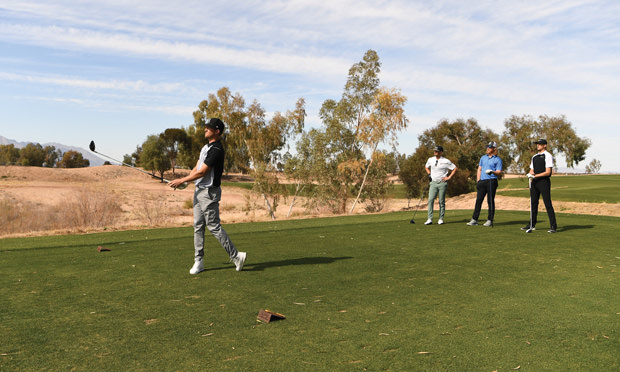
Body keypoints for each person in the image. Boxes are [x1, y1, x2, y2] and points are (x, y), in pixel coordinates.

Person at [169, 118, 246, 274]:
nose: (205, 129)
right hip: (199, 190)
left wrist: (181, 180)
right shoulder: (206, 147)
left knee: (213, 226)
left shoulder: (216, 150)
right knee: (198, 226)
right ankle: (199, 261)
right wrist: (186, 182)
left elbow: (203, 172)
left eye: (208, 128)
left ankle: (236, 255)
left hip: (209, 192)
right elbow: (197, 168)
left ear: (217, 131)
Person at [521, 139, 558, 233]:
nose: (538, 145)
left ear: (545, 145)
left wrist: (535, 176)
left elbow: (548, 172)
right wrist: (530, 175)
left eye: (540, 144)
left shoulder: (548, 156)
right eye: (537, 144)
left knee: (547, 203)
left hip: (544, 182)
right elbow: (532, 170)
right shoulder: (534, 157)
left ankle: (553, 226)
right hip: (534, 182)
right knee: (533, 203)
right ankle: (532, 224)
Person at [467, 141, 503, 227]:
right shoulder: (483, 158)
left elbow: (499, 172)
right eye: (487, 147)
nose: (488, 148)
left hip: (492, 181)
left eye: (490, 147)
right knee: (478, 200)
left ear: (494, 149)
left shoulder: (497, 159)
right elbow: (479, 169)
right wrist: (478, 180)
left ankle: (490, 220)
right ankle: (474, 219)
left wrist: (492, 172)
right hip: (482, 181)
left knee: (490, 201)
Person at [424, 146, 457, 225]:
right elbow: (426, 167)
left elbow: (455, 168)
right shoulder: (430, 159)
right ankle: (429, 219)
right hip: (433, 183)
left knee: (441, 201)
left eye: (437, 151)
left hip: (442, 183)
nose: (435, 152)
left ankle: (441, 218)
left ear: (441, 152)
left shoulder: (446, 161)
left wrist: (449, 177)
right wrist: (429, 174)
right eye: (435, 151)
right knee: (430, 200)